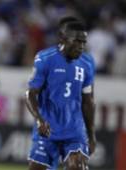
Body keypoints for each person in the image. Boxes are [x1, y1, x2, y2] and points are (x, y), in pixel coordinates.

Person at [25, 21, 96, 170]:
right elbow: (30, 93)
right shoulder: (45, 59)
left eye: (83, 42)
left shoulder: (87, 63)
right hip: (48, 130)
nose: (81, 46)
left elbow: (88, 101)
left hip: (75, 132)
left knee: (77, 166)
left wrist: (91, 134)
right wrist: (39, 120)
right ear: (63, 39)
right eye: (76, 41)